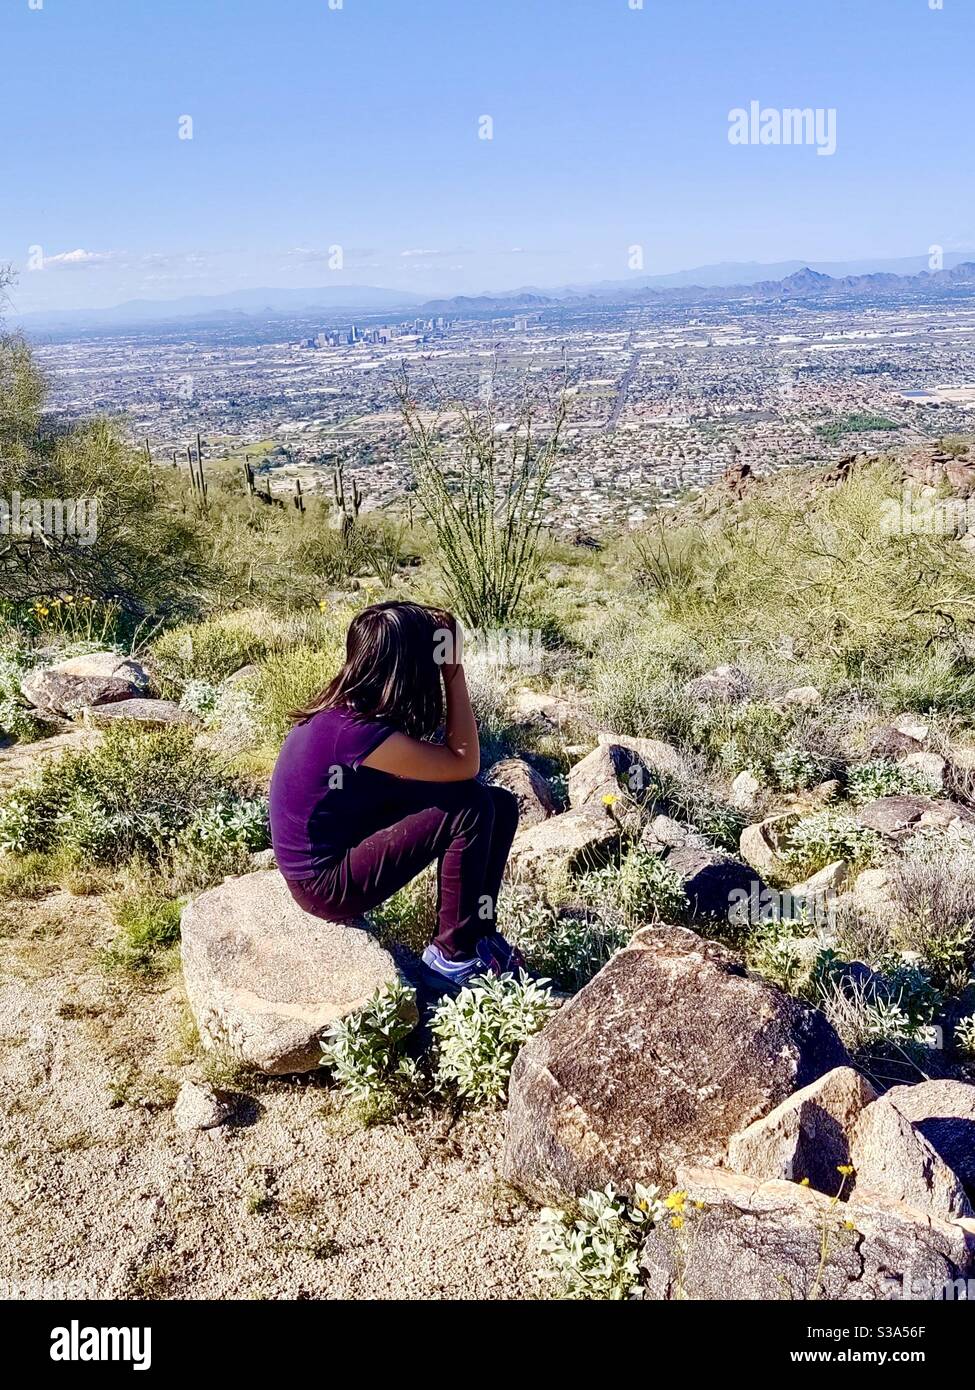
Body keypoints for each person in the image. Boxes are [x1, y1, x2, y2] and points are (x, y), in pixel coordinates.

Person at [269, 601, 523, 988]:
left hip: (349, 830)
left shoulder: (354, 709)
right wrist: (454, 672)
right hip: (323, 885)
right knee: (469, 808)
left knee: (497, 805)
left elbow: (454, 771)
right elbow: (464, 763)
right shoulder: (352, 730)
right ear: (410, 667)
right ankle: (450, 961)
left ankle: (477, 936)